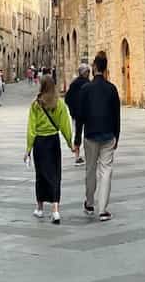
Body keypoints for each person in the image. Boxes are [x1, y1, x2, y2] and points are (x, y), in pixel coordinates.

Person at [76, 50, 120, 221]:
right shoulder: (112, 89)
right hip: (108, 134)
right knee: (106, 170)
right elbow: (116, 115)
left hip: (91, 134)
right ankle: (103, 210)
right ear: (106, 68)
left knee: (91, 169)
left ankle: (89, 203)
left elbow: (80, 116)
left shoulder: (86, 89)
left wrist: (77, 138)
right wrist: (117, 136)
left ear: (94, 67)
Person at [25, 74, 73, 224]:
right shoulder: (59, 104)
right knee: (55, 174)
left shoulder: (36, 104)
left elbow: (31, 128)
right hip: (53, 141)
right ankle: (55, 210)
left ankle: (39, 208)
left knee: (41, 175)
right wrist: (70, 142)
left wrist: (28, 148)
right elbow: (65, 124)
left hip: (39, 142)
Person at [65, 62, 91, 165]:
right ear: (84, 73)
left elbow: (67, 99)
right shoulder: (88, 83)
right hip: (87, 113)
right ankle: (88, 155)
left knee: (78, 133)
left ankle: (77, 156)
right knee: (88, 134)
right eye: (87, 72)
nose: (88, 74)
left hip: (77, 114)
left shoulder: (74, 84)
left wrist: (73, 110)